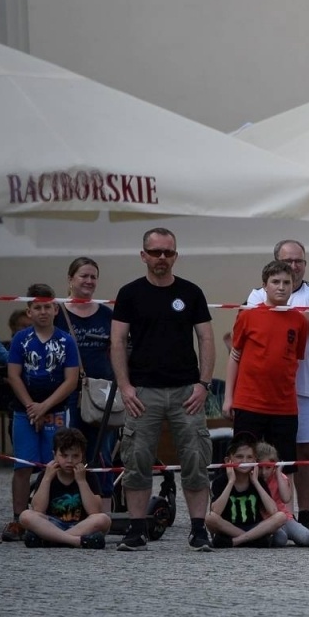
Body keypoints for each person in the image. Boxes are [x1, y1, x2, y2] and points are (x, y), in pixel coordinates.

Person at [110, 227, 217, 552]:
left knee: (195, 459)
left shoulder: (191, 292)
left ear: (175, 255)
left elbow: (207, 339)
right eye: (155, 252)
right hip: (143, 393)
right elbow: (116, 341)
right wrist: (126, 387)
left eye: (167, 252)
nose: (161, 258)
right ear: (143, 255)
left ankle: (198, 530)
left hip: (187, 392)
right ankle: (137, 529)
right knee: (137, 459)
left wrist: (204, 384)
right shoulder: (129, 294)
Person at [247, 240, 309, 522]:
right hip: (266, 388)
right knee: (264, 450)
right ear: (275, 263)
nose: (294, 267)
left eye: (299, 261)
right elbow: (252, 323)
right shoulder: (257, 293)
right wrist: (293, 316)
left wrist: (279, 315)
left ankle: (303, 513)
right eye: (288, 261)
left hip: (306, 385)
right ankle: (267, 511)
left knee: (305, 450)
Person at [6, 283, 80, 540]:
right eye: (37, 307)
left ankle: (56, 515)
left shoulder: (66, 341)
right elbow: (13, 375)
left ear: (55, 309)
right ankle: (19, 518)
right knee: (23, 465)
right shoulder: (20, 340)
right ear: (29, 311)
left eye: (47, 306)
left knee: (59, 463)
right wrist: (31, 407)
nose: (43, 311)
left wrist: (44, 407)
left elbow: (71, 380)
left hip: (56, 410)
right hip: (24, 412)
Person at [225, 260, 309, 463]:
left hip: (284, 406)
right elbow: (234, 357)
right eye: (275, 281)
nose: (281, 287)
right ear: (264, 285)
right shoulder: (248, 316)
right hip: (249, 403)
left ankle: (282, 497)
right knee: (242, 464)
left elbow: (293, 360)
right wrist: (229, 398)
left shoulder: (299, 321)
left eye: (286, 282)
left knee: (283, 466)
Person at [58, 256, 118, 495]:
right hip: (67, 392)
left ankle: (102, 504)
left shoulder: (107, 314)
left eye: (93, 276)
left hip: (101, 393)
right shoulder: (58, 313)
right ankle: (68, 502)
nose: (89, 281)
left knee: (100, 451)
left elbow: (116, 351)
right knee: (68, 449)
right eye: (84, 275)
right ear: (71, 279)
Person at [17, 427, 111, 548]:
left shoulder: (89, 476)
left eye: (75, 456)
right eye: (64, 455)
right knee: (25, 516)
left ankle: (51, 539)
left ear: (82, 456)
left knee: (104, 519)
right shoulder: (46, 475)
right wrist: (47, 478)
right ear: (54, 455)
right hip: (52, 523)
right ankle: (74, 541)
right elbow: (38, 509)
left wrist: (81, 481)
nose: (69, 461)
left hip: (81, 524)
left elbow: (94, 511)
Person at [206, 433, 291, 549]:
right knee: (209, 518)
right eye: (239, 457)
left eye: (249, 457)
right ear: (228, 460)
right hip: (230, 527)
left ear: (255, 460)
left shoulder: (258, 480)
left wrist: (255, 482)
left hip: (254, 526)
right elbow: (216, 511)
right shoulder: (220, 481)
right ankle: (254, 540)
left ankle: (237, 541)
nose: (244, 461)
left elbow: (273, 510)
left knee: (281, 516)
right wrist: (231, 482)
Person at [253, 440, 309, 547]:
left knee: (308, 537)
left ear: (275, 466)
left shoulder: (280, 477)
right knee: (280, 540)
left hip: (285, 518)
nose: (264, 472)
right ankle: (269, 536)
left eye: (268, 467)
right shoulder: (253, 479)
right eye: (260, 467)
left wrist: (278, 474)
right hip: (267, 521)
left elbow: (286, 498)